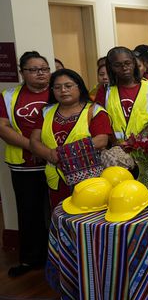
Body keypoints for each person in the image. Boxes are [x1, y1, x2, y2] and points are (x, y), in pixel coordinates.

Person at [0, 52, 52, 277]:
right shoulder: (9, 96)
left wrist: (48, 152)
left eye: (44, 68)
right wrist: (34, 148)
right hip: (24, 165)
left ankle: (59, 259)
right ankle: (31, 259)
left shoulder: (59, 91)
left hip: (55, 164)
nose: (41, 73)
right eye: (34, 69)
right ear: (22, 72)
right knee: (29, 212)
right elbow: (3, 127)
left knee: (55, 212)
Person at [30, 69, 112, 209]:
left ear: (79, 87)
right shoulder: (46, 111)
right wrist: (49, 154)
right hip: (55, 178)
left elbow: (101, 141)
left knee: (87, 218)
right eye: (57, 87)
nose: (63, 90)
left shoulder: (95, 111)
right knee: (60, 217)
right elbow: (34, 141)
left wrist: (62, 153)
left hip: (89, 180)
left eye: (68, 86)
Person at [95, 47, 148, 142]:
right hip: (114, 147)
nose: (124, 68)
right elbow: (101, 119)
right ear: (110, 67)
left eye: (128, 63)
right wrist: (115, 143)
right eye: (117, 65)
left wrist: (136, 141)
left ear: (134, 63)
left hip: (143, 146)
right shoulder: (105, 90)